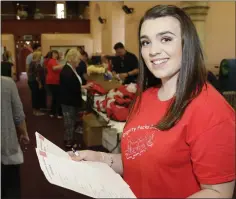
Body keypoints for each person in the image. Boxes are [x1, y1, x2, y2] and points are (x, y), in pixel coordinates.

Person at [68, 5, 235, 198]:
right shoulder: (146, 97)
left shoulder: (211, 109)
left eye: (165, 39)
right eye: (146, 42)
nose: (153, 51)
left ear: (186, 43)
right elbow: (139, 158)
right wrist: (99, 158)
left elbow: (218, 193)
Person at [1, 76, 30, 199]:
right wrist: (24, 133)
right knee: (11, 187)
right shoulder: (7, 83)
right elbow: (18, 115)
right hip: (6, 144)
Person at [60, 49, 92, 148]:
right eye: (78, 59)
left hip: (71, 100)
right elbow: (72, 87)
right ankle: (69, 143)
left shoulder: (71, 69)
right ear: (72, 59)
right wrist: (84, 87)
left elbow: (74, 85)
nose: (79, 61)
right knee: (69, 123)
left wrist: (84, 87)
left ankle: (70, 141)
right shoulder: (67, 71)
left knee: (71, 122)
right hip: (68, 101)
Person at [46, 50, 64, 118]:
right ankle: (58, 113)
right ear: (52, 54)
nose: (56, 55)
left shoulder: (55, 61)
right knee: (58, 97)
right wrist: (64, 65)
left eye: (56, 53)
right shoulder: (52, 60)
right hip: (53, 81)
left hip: (54, 81)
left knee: (55, 97)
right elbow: (54, 68)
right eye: (54, 54)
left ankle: (53, 112)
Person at [27, 51, 46, 116]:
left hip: (32, 81)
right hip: (34, 82)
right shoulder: (34, 63)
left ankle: (36, 110)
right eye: (40, 56)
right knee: (35, 96)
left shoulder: (34, 63)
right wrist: (40, 83)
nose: (41, 57)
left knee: (35, 96)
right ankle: (36, 111)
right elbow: (36, 75)